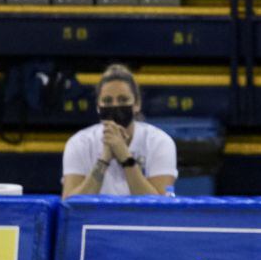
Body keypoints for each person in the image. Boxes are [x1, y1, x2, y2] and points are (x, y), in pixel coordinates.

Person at [62, 64, 177, 198]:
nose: (115, 105)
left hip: (139, 219)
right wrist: (103, 160)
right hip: (95, 219)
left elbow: (159, 207)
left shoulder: (160, 142)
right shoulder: (79, 143)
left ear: (137, 104)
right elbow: (70, 205)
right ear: (98, 107)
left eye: (123, 99)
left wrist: (124, 156)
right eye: (107, 100)